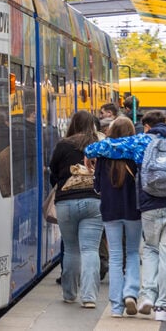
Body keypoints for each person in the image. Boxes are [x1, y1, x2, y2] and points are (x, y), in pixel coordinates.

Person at [85, 109, 166, 322]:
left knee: (142, 252)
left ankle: (123, 303)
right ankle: (161, 303)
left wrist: (90, 152)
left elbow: (107, 146)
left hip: (148, 206)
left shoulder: (141, 141)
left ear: (147, 126)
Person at [49, 110, 103, 308]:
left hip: (66, 203)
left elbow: (53, 173)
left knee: (71, 249)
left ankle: (70, 293)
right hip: (94, 201)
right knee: (90, 250)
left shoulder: (63, 145)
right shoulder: (99, 145)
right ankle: (89, 297)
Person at [88, 117, 141, 317]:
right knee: (134, 253)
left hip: (110, 210)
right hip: (133, 211)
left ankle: (116, 307)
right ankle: (131, 293)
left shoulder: (103, 155)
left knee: (116, 257)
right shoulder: (136, 153)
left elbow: (97, 187)